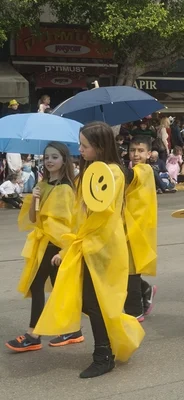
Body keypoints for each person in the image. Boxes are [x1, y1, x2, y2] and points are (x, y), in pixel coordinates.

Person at [34, 121, 145, 378]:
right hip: (89, 244)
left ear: (99, 146)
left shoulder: (112, 173)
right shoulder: (91, 172)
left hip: (103, 247)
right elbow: (82, 216)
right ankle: (113, 345)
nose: (80, 150)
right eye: (80, 145)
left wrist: (75, 247)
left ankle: (104, 354)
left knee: (96, 302)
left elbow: (102, 218)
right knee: (91, 301)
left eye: (85, 145)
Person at [5, 142, 80, 352]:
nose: (49, 161)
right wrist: (35, 199)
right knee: (58, 286)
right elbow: (34, 219)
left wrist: (64, 250)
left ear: (64, 160)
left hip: (55, 244)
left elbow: (69, 222)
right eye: (47, 157)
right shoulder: (44, 185)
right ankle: (74, 329)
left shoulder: (66, 188)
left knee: (36, 284)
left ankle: (33, 334)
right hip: (43, 241)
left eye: (55, 157)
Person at [124, 136, 158, 322]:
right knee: (127, 268)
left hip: (138, 227)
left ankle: (134, 311)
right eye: (132, 150)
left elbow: (128, 177)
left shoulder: (144, 169)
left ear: (148, 154)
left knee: (131, 269)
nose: (136, 154)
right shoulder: (135, 169)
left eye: (140, 150)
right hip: (128, 225)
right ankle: (145, 289)